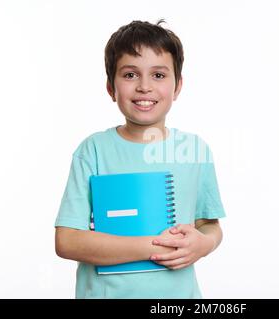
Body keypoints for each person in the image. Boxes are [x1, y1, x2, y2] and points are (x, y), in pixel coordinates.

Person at [54, 19, 226, 298]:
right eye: (130, 75)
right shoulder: (93, 150)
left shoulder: (195, 150)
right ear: (111, 87)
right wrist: (154, 246)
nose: (144, 86)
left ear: (177, 86)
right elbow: (67, 241)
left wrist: (204, 244)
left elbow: (209, 224)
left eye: (158, 75)